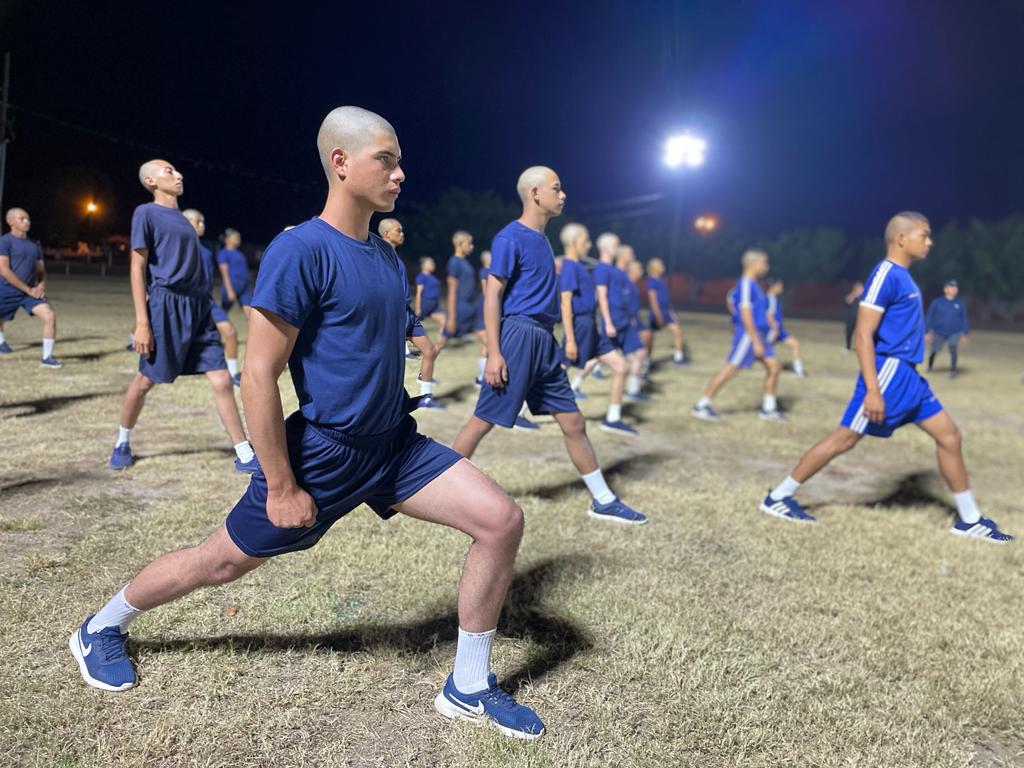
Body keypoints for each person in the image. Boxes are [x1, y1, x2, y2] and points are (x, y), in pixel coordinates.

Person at [70, 107, 546, 740]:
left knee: (501, 521)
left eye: (400, 160)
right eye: (387, 158)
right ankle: (99, 627)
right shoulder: (302, 250)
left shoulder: (383, 254)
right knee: (219, 564)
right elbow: (258, 374)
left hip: (394, 448)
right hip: (325, 454)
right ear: (340, 163)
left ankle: (467, 685)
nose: (400, 173)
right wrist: (280, 483)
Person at [759, 212, 1012, 541]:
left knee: (950, 437)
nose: (930, 241)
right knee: (844, 439)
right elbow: (864, 335)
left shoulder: (906, 278)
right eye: (925, 234)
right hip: (889, 373)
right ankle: (778, 497)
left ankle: (969, 519)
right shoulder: (885, 274)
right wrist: (873, 391)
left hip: (910, 377)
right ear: (901, 238)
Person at [451, 166, 647, 524]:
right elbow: (492, 296)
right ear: (535, 194)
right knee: (482, 421)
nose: (563, 194)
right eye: (557, 188)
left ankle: (602, 500)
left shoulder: (542, 241)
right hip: (519, 336)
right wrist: (494, 353)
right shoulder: (510, 237)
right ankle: (442, 491)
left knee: (573, 422)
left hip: (543, 340)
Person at [108, 160, 258, 473]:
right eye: (168, 171)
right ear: (151, 180)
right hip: (166, 306)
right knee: (145, 380)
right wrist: (142, 322)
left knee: (220, 379)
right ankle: (123, 440)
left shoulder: (182, 220)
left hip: (199, 307)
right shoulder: (146, 213)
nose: (177, 175)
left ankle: (244, 453)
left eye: (177, 171)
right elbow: (137, 268)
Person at [557, 222, 635, 436]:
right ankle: (520, 411)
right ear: (574, 242)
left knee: (621, 367)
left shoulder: (579, 266)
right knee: (558, 372)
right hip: (581, 325)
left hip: (591, 326)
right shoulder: (570, 267)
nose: (589, 244)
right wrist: (571, 340)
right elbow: (565, 303)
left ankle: (613, 418)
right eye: (585, 240)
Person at [693, 250, 784, 421]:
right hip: (749, 337)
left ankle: (768, 409)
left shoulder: (755, 285)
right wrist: (755, 340)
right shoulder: (746, 284)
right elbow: (745, 313)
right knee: (730, 370)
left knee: (774, 367)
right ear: (753, 264)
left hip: (758, 335)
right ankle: (702, 405)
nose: (766, 267)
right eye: (764, 263)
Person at [378, 218, 443, 408]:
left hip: (408, 313)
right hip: (393, 314)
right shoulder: (378, 255)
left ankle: (425, 396)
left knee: (429, 351)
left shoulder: (395, 256)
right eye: (399, 231)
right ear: (387, 233)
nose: (402, 234)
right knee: (387, 361)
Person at [183, 209, 242, 386]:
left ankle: (232, 374)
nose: (201, 225)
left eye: (203, 222)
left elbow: (207, 281)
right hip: (184, 302)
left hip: (206, 302)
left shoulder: (206, 252)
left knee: (230, 332)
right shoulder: (176, 248)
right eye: (197, 222)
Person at [0, 207, 60, 366]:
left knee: (50, 315)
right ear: (10, 221)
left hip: (30, 294)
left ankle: (47, 357)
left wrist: (40, 286)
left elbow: (41, 270)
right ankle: (0, 342)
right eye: (22, 219)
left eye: (28, 219)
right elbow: (5, 271)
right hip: (6, 290)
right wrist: (28, 289)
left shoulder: (34, 244)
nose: (27, 222)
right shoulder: (4, 242)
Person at [644, 257, 687, 367]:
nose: (663, 266)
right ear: (653, 267)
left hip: (666, 312)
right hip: (657, 312)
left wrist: (672, 314)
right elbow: (653, 300)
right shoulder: (651, 280)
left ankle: (678, 358)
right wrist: (658, 316)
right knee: (650, 338)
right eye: (660, 264)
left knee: (677, 331)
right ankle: (646, 361)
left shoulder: (662, 281)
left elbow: (667, 301)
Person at [926, 279, 969, 378]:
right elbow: (930, 316)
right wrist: (926, 332)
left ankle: (953, 370)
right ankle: (930, 366)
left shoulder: (960, 303)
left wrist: (965, 333)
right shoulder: (937, 302)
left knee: (953, 347)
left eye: (955, 287)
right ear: (945, 289)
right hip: (938, 331)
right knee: (935, 350)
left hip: (954, 331)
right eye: (951, 287)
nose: (954, 289)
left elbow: (964, 318)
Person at [766, 278, 806, 378]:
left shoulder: (774, 298)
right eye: (779, 285)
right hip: (772, 330)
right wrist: (774, 329)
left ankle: (798, 371)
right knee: (764, 352)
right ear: (773, 286)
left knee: (795, 344)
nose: (781, 287)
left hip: (779, 330)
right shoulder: (770, 298)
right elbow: (769, 315)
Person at [217, 228, 252, 321]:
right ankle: (213, 330)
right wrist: (229, 290)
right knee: (223, 313)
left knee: (251, 314)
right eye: (236, 237)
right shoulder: (224, 253)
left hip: (244, 287)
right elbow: (224, 273)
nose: (238, 239)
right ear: (227, 239)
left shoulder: (240, 253)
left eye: (239, 237)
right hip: (232, 285)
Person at [843, 280, 864, 351]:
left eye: (860, 288)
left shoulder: (864, 297)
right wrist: (854, 294)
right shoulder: (853, 296)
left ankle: (859, 347)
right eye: (857, 288)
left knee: (860, 333)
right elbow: (847, 301)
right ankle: (848, 347)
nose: (859, 289)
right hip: (852, 317)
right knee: (848, 331)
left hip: (861, 317)